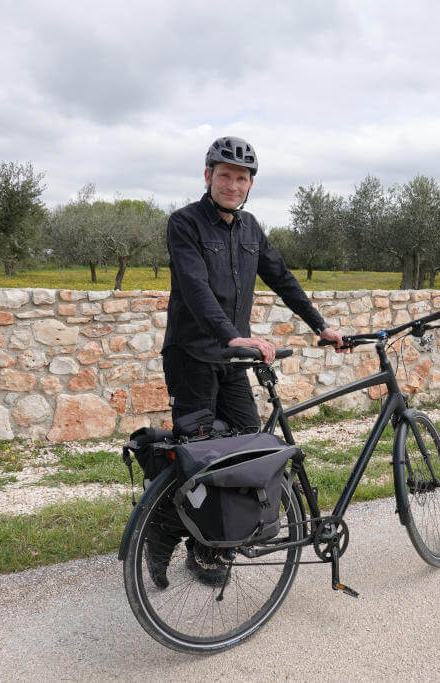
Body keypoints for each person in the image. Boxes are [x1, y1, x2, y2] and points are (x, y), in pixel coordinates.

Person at [150, 136, 344, 588]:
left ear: (250, 183)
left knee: (246, 452)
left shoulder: (251, 227)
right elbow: (195, 288)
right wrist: (232, 334)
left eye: (241, 178)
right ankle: (161, 535)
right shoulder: (185, 224)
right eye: (225, 176)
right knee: (196, 461)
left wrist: (320, 326)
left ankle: (211, 550)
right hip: (191, 358)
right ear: (208, 177)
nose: (233, 185)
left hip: (231, 361)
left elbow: (282, 279)